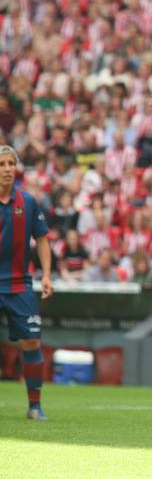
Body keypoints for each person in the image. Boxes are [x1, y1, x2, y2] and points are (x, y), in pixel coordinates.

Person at [0, 145, 53, 420]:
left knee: (31, 342)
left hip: (20, 284)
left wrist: (46, 274)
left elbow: (42, 239)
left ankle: (35, 406)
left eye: (11, 164)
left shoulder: (28, 202)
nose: (7, 169)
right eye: (2, 164)